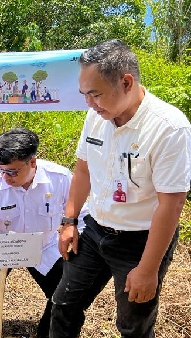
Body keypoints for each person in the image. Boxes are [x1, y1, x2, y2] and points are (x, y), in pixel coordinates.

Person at [51, 39, 191, 338]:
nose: (89, 103)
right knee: (63, 306)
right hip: (95, 230)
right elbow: (83, 169)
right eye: (84, 95)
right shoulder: (96, 116)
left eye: (96, 94)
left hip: (140, 242)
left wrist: (148, 269)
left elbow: (171, 204)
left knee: (133, 326)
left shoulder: (169, 128)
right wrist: (69, 220)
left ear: (126, 82)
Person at [0, 128, 87, 338]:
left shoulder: (60, 178)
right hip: (2, 244)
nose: (6, 177)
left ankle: (48, 333)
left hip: (43, 244)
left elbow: (83, 215)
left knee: (68, 292)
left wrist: (72, 232)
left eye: (13, 171)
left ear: (32, 162)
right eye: (2, 170)